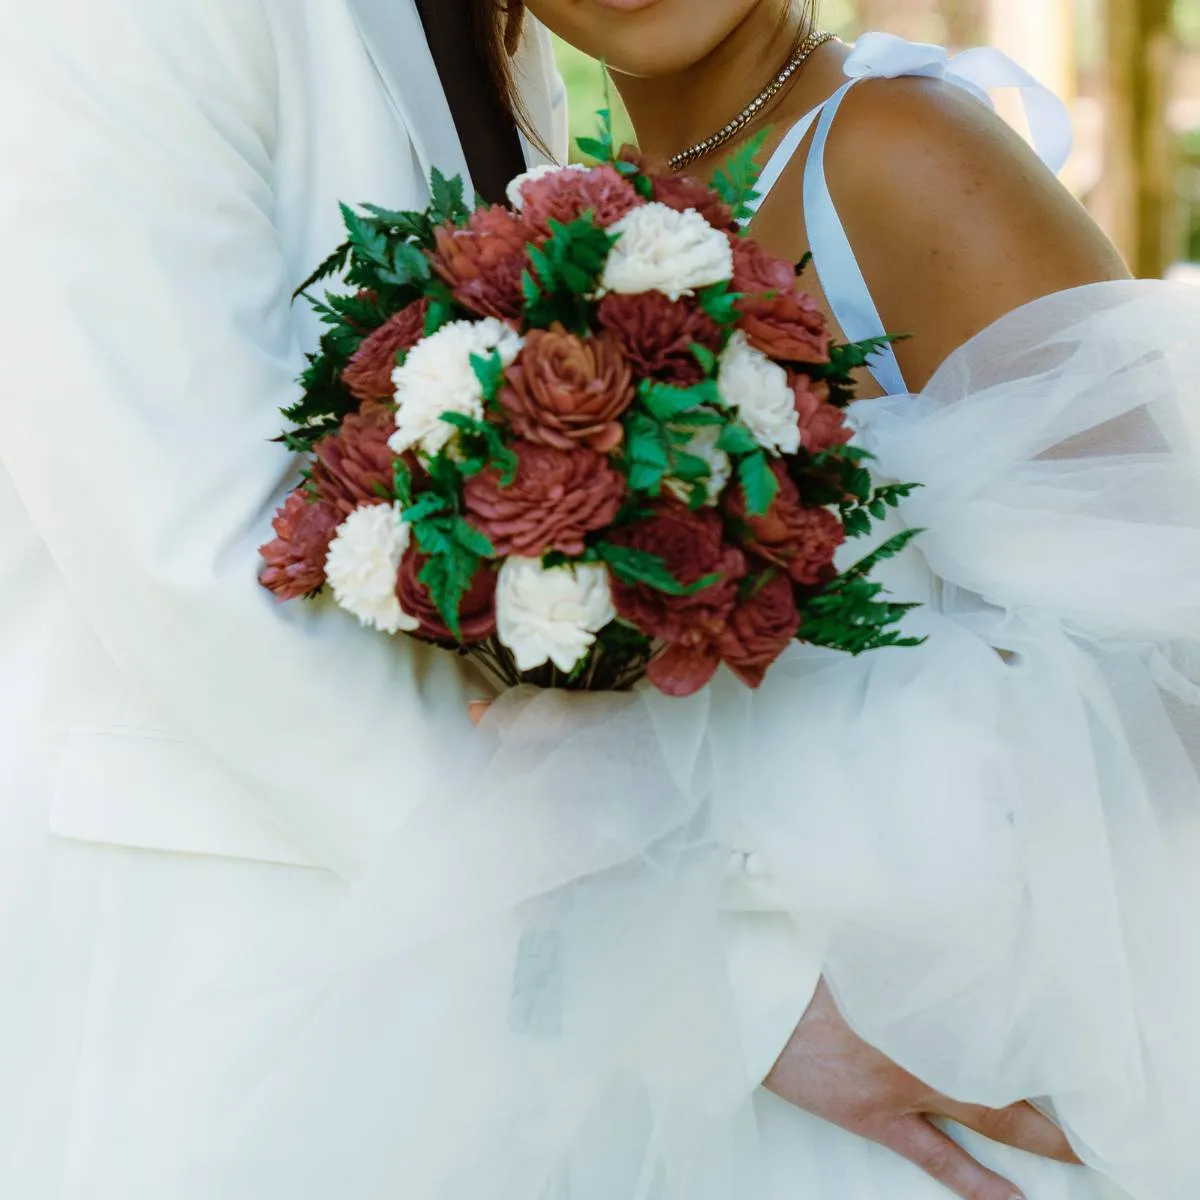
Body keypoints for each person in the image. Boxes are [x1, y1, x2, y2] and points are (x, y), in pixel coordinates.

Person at [463, 3, 1197, 1200]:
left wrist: (785, 885)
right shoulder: (573, 213)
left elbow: (1171, 668)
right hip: (717, 1037)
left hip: (931, 1022)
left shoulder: (898, 150)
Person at [0, 0, 565, 1194]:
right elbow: (196, 550)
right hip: (219, 961)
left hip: (461, 954)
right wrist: (640, 924)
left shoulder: (505, 24)